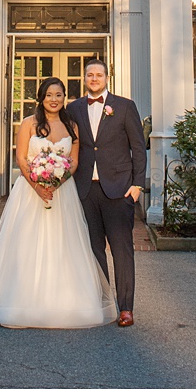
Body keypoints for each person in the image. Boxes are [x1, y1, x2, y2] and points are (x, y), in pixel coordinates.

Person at [0, 76, 116, 329]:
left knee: (64, 243)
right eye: (49, 95)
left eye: (59, 95)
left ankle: (65, 302)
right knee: (26, 242)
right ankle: (19, 300)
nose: (54, 99)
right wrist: (38, 186)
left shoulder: (71, 125)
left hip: (62, 194)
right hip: (30, 192)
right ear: (41, 97)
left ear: (64, 98)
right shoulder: (28, 124)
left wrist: (56, 183)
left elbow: (73, 160)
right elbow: (21, 159)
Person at [62, 58, 146, 327]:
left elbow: (138, 147)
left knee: (122, 250)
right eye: (90, 75)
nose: (94, 79)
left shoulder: (124, 106)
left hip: (119, 190)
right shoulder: (73, 108)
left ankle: (125, 308)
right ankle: (103, 302)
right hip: (86, 189)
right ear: (84, 78)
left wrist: (137, 185)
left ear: (107, 78)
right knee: (93, 249)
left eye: (99, 75)